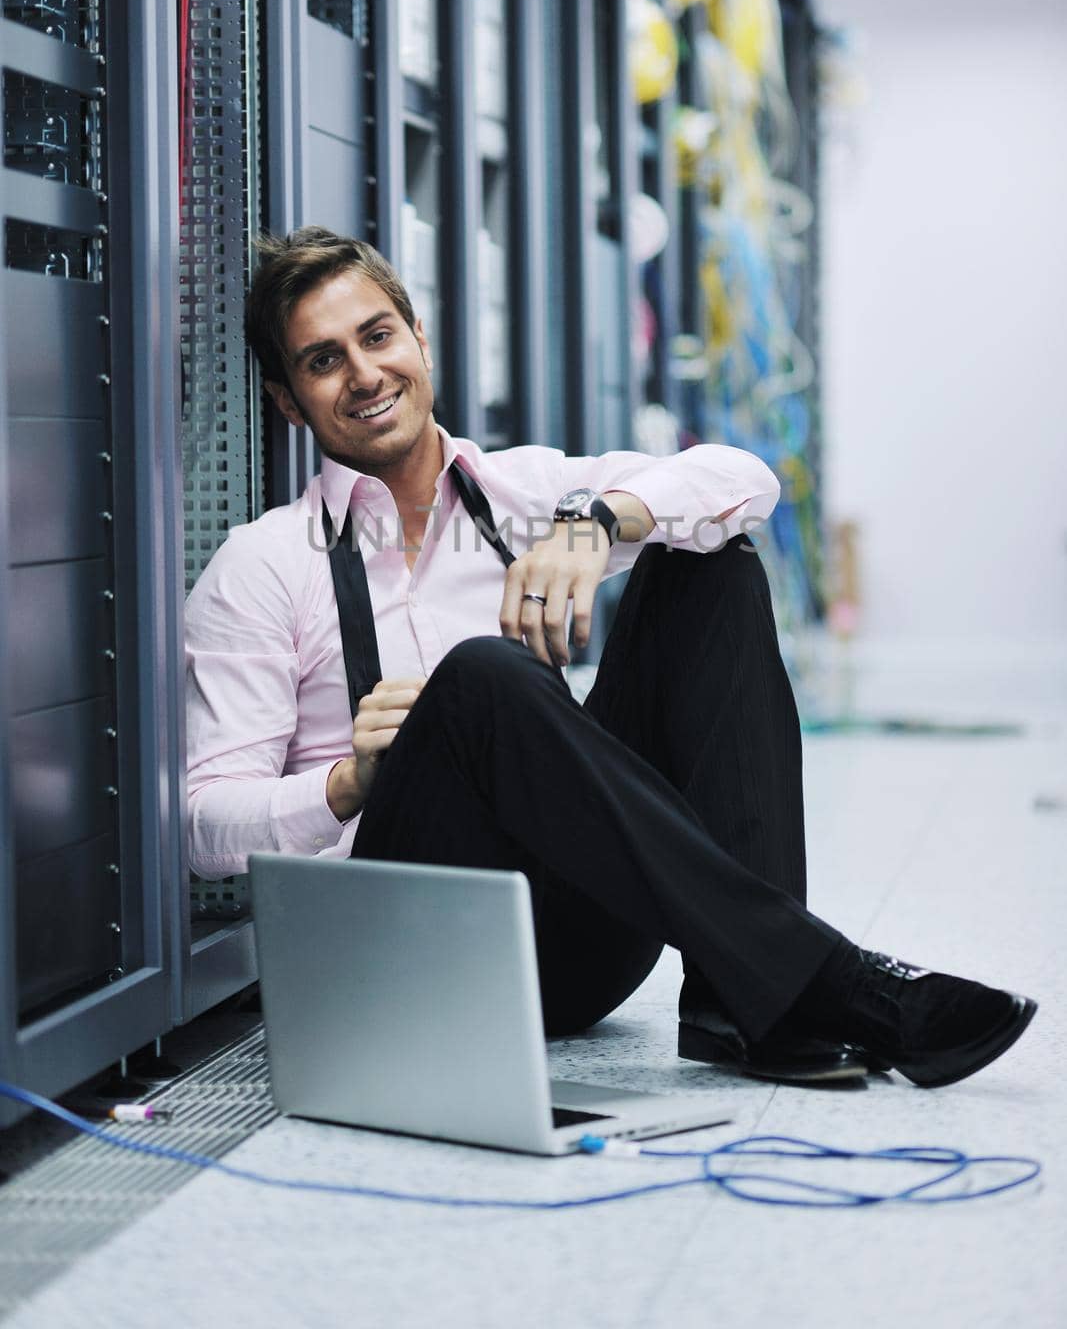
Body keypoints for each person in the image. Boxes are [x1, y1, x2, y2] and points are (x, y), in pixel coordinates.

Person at [186, 227, 1037, 1090]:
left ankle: (744, 1008)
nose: (365, 375)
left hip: (574, 950)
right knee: (483, 674)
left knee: (710, 558)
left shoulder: (525, 493)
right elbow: (203, 824)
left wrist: (596, 521)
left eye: (377, 337)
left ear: (418, 340)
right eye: (324, 361)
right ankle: (823, 982)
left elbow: (740, 480)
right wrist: (348, 783)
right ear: (289, 401)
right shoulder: (264, 564)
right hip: (414, 948)